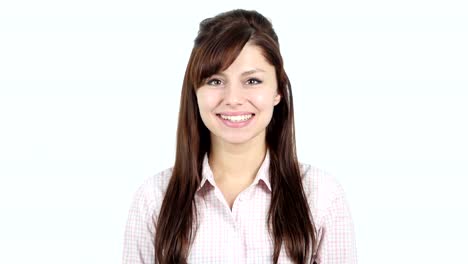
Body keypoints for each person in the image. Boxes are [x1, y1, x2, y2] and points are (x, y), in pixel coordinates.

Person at [122, 9, 357, 264]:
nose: (233, 99)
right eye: (215, 81)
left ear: (277, 90)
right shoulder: (154, 199)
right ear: (195, 91)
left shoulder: (321, 196)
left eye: (252, 81)